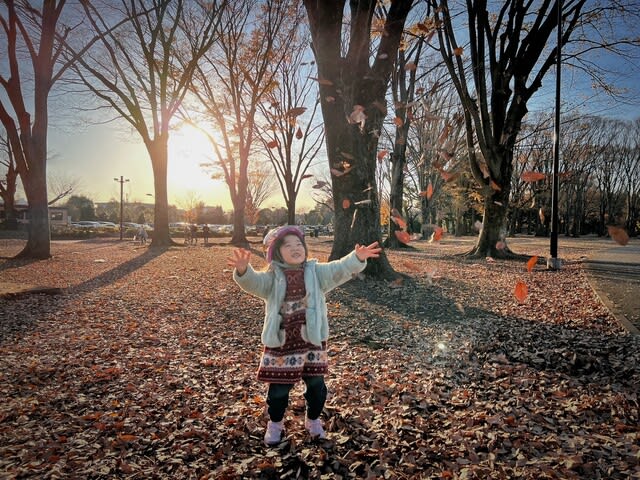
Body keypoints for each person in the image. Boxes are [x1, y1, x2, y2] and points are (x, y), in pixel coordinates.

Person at [227, 225, 381, 446]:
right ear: (277, 252)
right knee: (278, 390)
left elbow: (338, 269)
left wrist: (356, 258)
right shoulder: (272, 277)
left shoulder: (316, 272)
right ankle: (276, 423)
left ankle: (313, 420)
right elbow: (255, 283)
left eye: (299, 244)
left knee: (317, 387)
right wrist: (244, 271)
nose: (295, 248)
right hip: (281, 344)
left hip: (311, 342)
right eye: (288, 245)